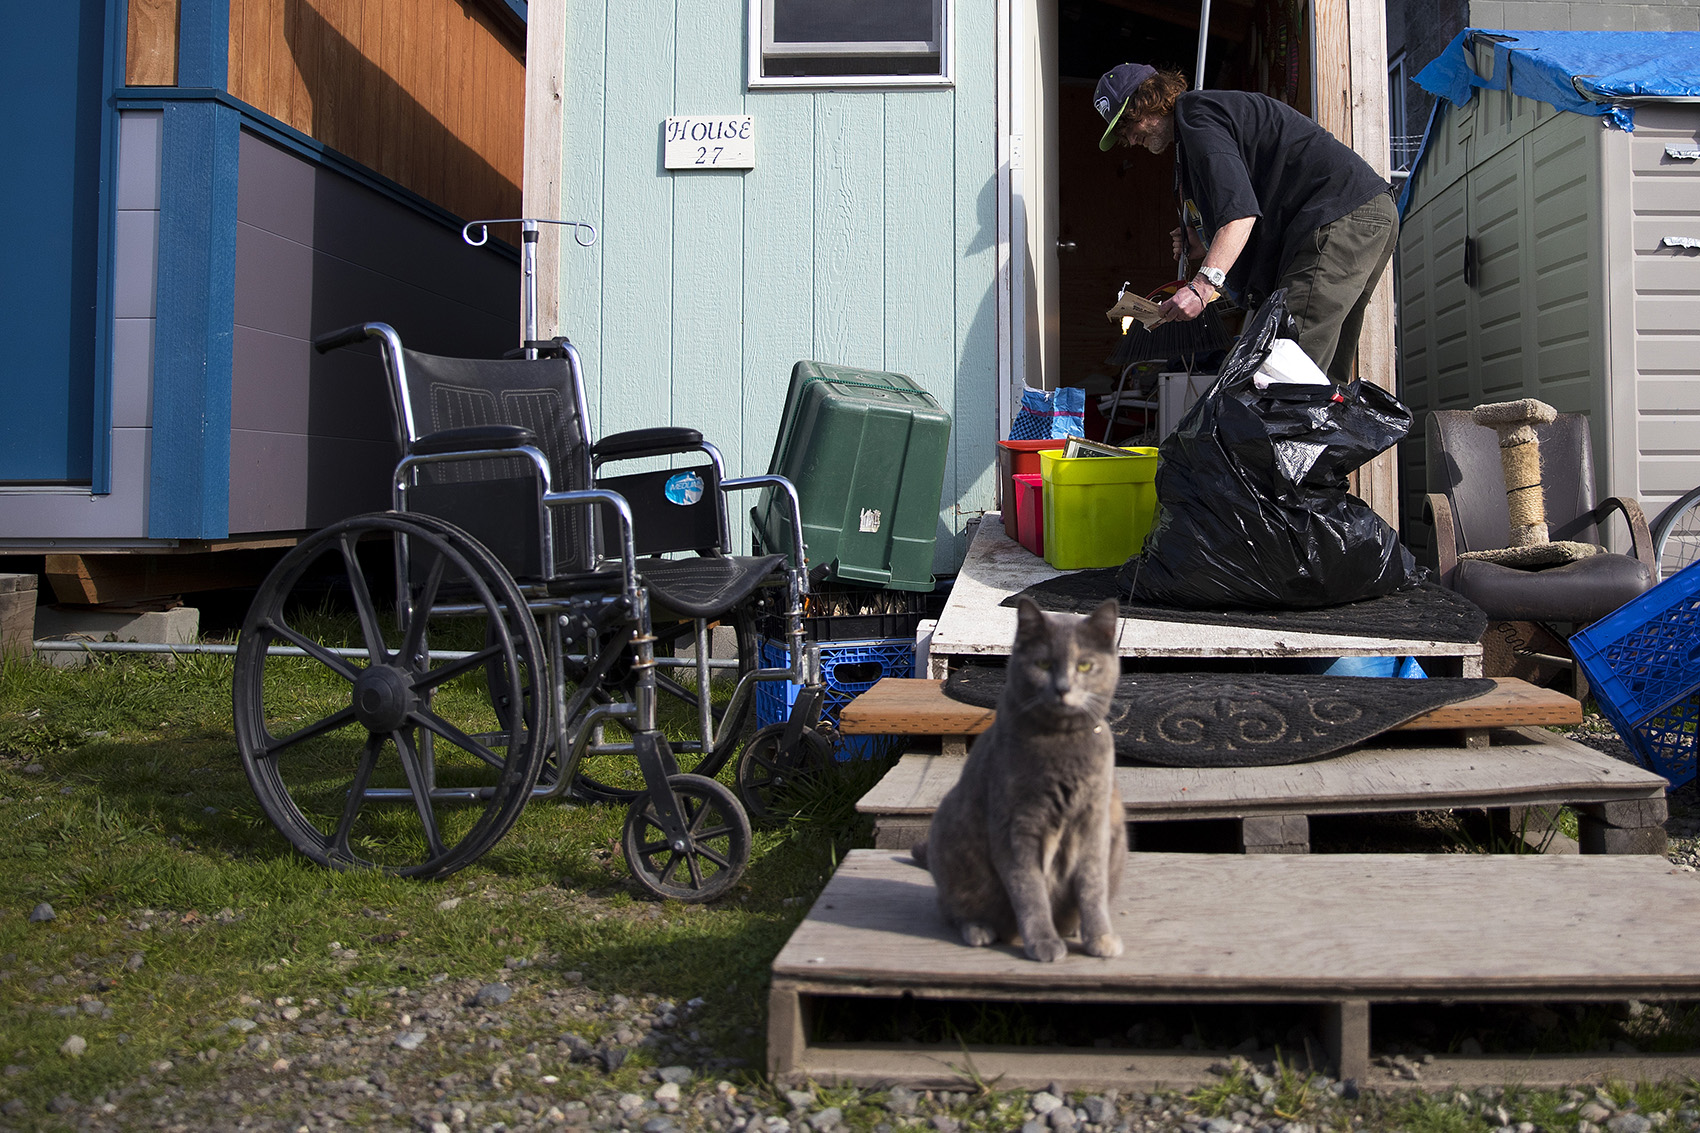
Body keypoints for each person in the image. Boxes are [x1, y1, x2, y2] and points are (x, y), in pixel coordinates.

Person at [1093, 63, 1398, 383]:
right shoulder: (1199, 128)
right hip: (1363, 215)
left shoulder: (1198, 115)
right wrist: (1207, 240)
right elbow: (1243, 201)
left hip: (1340, 219)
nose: (1127, 138)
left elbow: (1240, 213)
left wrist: (1201, 287)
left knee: (1278, 372)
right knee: (1318, 384)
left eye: (1126, 123)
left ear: (1148, 100)